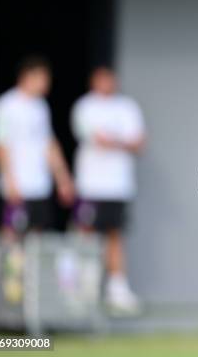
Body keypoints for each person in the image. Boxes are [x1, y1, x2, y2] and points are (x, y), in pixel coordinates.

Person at [71, 67, 145, 314]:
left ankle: (117, 290)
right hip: (90, 185)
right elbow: (97, 139)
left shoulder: (127, 107)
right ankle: (82, 290)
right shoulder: (85, 107)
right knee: (86, 234)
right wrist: (121, 141)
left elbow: (138, 142)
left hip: (118, 186)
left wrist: (115, 141)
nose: (106, 83)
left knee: (115, 235)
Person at [0, 55, 75, 238]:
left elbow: (49, 145)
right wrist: (9, 181)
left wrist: (62, 179)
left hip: (39, 184)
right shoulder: (6, 105)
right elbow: (0, 145)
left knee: (37, 234)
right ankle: (7, 268)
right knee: (11, 232)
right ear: (27, 76)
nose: (46, 83)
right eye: (42, 78)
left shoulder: (41, 107)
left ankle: (30, 268)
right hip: (17, 184)